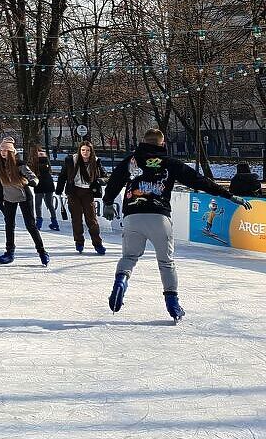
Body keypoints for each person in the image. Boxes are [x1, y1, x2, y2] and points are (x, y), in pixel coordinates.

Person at [102, 128, 255, 321]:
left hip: (133, 215)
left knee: (130, 256)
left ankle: (121, 282)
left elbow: (115, 181)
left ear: (143, 142)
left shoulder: (131, 160)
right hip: (159, 217)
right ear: (162, 144)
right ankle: (173, 305)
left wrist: (107, 202)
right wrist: (229, 195)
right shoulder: (170, 163)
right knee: (166, 262)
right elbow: (199, 181)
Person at [0, 138, 49, 266]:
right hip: (8, 197)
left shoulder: (19, 164)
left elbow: (33, 177)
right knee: (9, 225)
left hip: (24, 196)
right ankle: (9, 253)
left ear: (12, 152)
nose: (3, 152)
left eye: (6, 150)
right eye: (1, 150)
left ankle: (42, 252)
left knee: (30, 226)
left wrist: (33, 182)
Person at [55, 140, 107, 254]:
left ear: (91, 151)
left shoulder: (96, 161)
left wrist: (100, 180)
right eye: (83, 150)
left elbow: (105, 176)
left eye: (88, 150)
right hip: (74, 191)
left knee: (91, 219)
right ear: (79, 150)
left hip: (88, 192)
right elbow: (63, 176)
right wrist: (59, 190)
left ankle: (98, 243)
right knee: (76, 218)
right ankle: (79, 242)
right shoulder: (71, 160)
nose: (85, 152)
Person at [31, 146, 59, 231]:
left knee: (38, 204)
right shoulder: (47, 161)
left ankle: (39, 222)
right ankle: (54, 222)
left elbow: (33, 172)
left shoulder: (35, 162)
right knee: (49, 204)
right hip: (48, 183)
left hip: (40, 184)